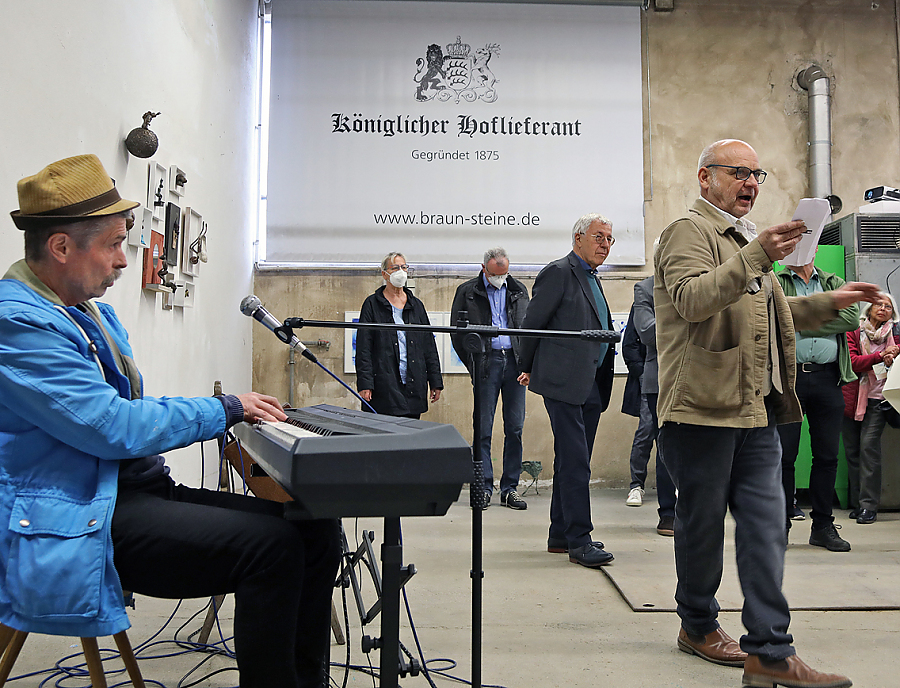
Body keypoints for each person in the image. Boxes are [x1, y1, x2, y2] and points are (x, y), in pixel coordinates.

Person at [0, 154, 341, 688]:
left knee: (316, 529)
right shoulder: (18, 325)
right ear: (61, 247)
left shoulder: (85, 310)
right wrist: (226, 409)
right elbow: (114, 426)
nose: (122, 260)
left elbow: (124, 418)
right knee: (271, 549)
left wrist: (226, 412)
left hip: (130, 490)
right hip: (83, 515)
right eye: (113, 245)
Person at [655, 139, 879, 688]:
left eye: (757, 173)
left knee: (764, 526)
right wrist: (756, 255)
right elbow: (691, 300)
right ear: (705, 177)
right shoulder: (689, 232)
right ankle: (698, 623)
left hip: (755, 410)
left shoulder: (742, 242)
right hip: (700, 410)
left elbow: (777, 314)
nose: (751, 182)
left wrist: (834, 306)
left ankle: (771, 652)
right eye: (739, 172)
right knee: (702, 528)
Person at [517, 214, 616, 568]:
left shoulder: (591, 276)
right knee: (576, 463)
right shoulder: (559, 272)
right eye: (599, 237)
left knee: (573, 461)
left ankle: (560, 533)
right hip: (563, 381)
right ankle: (580, 540)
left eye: (609, 239)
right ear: (577, 239)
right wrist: (524, 366)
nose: (605, 244)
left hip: (590, 381)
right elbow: (532, 324)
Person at [775, 258, 859, 551]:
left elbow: (851, 318)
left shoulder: (832, 282)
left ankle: (822, 526)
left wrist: (802, 320)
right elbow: (775, 315)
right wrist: (823, 317)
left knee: (826, 457)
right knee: (784, 457)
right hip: (790, 381)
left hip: (827, 379)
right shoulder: (777, 280)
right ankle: (780, 526)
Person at [450, 248, 529, 510]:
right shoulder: (468, 291)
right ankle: (482, 486)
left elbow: (526, 329)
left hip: (514, 363)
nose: (500, 279)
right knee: (483, 428)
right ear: (484, 268)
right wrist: (473, 364)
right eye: (495, 274)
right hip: (486, 363)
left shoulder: (518, 290)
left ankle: (510, 488)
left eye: (504, 273)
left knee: (514, 428)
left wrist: (526, 364)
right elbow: (457, 333)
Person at [355, 252, 443, 418]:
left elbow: (428, 345)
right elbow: (363, 348)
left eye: (404, 267)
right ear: (384, 274)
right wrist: (365, 383)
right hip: (384, 383)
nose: (401, 271)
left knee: (410, 436)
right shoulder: (372, 304)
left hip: (414, 382)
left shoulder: (416, 305)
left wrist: (435, 381)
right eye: (395, 268)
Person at [623, 275, 677, 536]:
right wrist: (692, 321)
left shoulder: (701, 280)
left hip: (703, 374)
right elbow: (647, 332)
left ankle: (698, 511)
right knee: (664, 445)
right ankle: (668, 512)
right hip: (660, 379)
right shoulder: (645, 288)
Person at [842, 293, 900, 524]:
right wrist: (879, 356)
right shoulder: (854, 331)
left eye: (888, 306)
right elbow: (852, 361)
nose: (883, 308)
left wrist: (894, 353)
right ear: (869, 309)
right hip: (853, 399)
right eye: (879, 304)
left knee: (868, 449)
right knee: (853, 451)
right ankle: (858, 503)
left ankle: (869, 506)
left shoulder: (895, 333)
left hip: (880, 400)